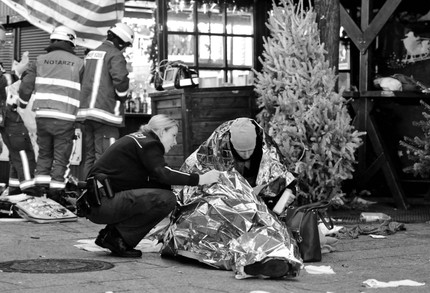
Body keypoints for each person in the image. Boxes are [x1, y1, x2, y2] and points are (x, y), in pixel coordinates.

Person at [160, 117, 302, 279]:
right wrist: (235, 194)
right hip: (220, 207)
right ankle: (252, 262)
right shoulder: (212, 150)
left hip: (256, 207)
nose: (247, 155)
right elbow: (192, 183)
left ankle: (273, 260)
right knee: (218, 233)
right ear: (231, 144)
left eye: (250, 150)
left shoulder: (266, 149)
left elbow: (285, 181)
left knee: (270, 225)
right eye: (241, 152)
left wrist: (284, 196)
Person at [82, 114, 220, 258]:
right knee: (166, 199)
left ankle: (112, 236)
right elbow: (163, 173)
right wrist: (201, 178)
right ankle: (117, 238)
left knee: (162, 192)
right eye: (173, 135)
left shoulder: (139, 139)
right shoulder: (149, 144)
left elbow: (152, 179)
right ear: (161, 132)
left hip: (97, 202)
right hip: (103, 204)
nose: (174, 142)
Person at [19, 25, 84, 201]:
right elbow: (85, 90)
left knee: (44, 152)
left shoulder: (40, 60)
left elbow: (26, 85)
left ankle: (40, 189)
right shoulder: (78, 63)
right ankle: (56, 193)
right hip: (65, 117)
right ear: (71, 42)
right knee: (61, 156)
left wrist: (22, 103)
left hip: (42, 116)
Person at [76, 22, 134, 179]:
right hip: (106, 115)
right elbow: (121, 80)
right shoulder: (115, 54)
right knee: (107, 158)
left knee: (89, 157)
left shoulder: (91, 54)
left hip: (87, 115)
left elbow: (80, 78)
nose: (125, 49)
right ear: (121, 41)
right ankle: (102, 197)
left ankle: (86, 194)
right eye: (126, 45)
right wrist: (122, 97)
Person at [0, 24, 37, 196]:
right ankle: (29, 191)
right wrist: (19, 76)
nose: (2, 45)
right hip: (9, 118)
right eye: (0, 41)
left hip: (5, 118)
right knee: (22, 152)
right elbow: (7, 90)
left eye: (3, 42)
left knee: (16, 153)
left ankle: (14, 190)